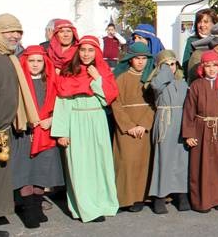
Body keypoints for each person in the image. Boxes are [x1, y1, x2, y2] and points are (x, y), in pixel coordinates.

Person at [53, 35, 120, 223]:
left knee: (100, 164)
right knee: (80, 166)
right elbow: (62, 103)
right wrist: (62, 132)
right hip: (76, 120)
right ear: (77, 51)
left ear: (97, 52)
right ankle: (87, 208)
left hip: (97, 119)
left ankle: (104, 203)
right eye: (83, 50)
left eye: (91, 50)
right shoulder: (68, 71)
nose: (86, 54)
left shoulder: (102, 71)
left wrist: (97, 77)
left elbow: (108, 98)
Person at [0, 15, 41, 233]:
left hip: (1, 131)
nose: (15, 35)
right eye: (9, 31)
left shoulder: (9, 56)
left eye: (18, 31)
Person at [12, 45, 64, 229]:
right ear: (25, 62)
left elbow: (61, 104)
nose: (35, 65)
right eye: (31, 61)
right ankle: (29, 210)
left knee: (41, 171)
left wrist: (51, 119)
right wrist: (25, 120)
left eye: (39, 61)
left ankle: (37, 206)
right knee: (25, 171)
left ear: (44, 63)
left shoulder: (50, 81)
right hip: (24, 133)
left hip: (46, 132)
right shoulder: (18, 81)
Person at [181, 50, 218, 213]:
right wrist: (189, 134)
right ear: (202, 68)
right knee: (200, 166)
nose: (211, 69)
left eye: (214, 66)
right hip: (200, 129)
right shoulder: (196, 86)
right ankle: (202, 201)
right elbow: (189, 110)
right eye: (208, 66)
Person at [110, 42, 155, 212]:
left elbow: (154, 103)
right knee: (125, 161)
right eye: (137, 58)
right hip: (126, 127)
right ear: (130, 60)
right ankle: (124, 198)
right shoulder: (121, 78)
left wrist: (143, 125)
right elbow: (116, 103)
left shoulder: (151, 79)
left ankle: (140, 198)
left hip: (144, 126)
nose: (141, 62)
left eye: (144, 58)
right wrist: (128, 126)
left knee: (143, 163)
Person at [147, 50, 191, 214]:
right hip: (166, 120)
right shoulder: (158, 81)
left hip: (181, 120)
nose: (170, 68)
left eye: (173, 64)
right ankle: (159, 196)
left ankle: (181, 194)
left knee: (182, 158)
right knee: (163, 158)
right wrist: (165, 69)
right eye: (166, 65)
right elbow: (156, 85)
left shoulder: (182, 82)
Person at [182, 8, 218, 75]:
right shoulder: (191, 41)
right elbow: (185, 65)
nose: (202, 25)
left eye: (206, 22)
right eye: (199, 22)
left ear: (214, 24)